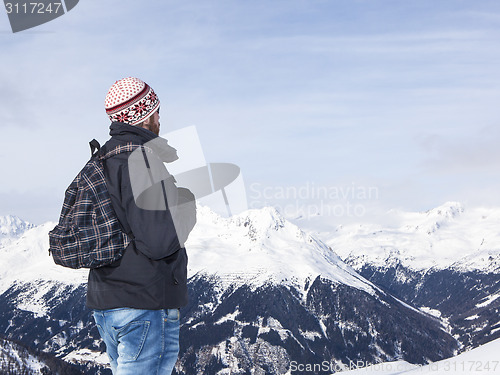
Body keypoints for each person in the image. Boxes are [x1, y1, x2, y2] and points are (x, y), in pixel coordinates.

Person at [88, 77, 196, 375]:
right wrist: (186, 206)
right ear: (144, 115)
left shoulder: (105, 157)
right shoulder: (142, 160)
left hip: (107, 304)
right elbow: (159, 241)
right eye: (157, 111)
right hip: (144, 304)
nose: (161, 118)